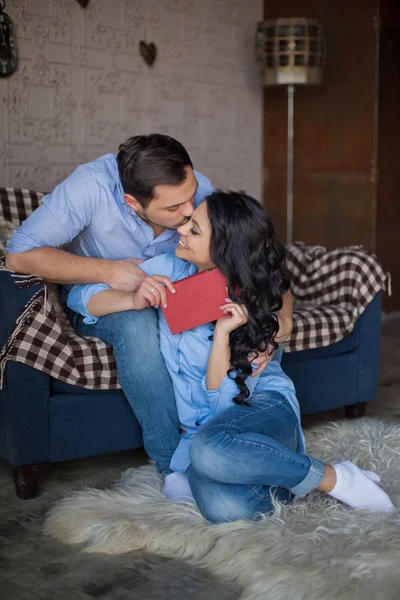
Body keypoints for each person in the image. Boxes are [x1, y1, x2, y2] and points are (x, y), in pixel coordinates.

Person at [68, 190, 394, 522]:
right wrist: (133, 299)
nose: (180, 231)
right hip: (208, 433)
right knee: (224, 507)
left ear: (224, 249)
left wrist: (228, 334)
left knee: (207, 450)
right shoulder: (168, 268)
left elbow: (223, 401)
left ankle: (333, 478)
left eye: (194, 230)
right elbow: (80, 297)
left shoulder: (247, 301)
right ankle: (290, 475)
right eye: (188, 223)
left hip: (263, 409)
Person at [5, 134, 293, 496]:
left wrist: (283, 323)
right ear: (132, 203)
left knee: (249, 318)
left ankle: (242, 435)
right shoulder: (90, 187)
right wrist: (109, 273)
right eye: (175, 209)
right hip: (107, 297)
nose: (188, 212)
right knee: (138, 326)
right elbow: (19, 256)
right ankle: (172, 464)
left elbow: (254, 259)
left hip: (181, 289)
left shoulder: (194, 192)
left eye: (191, 201)